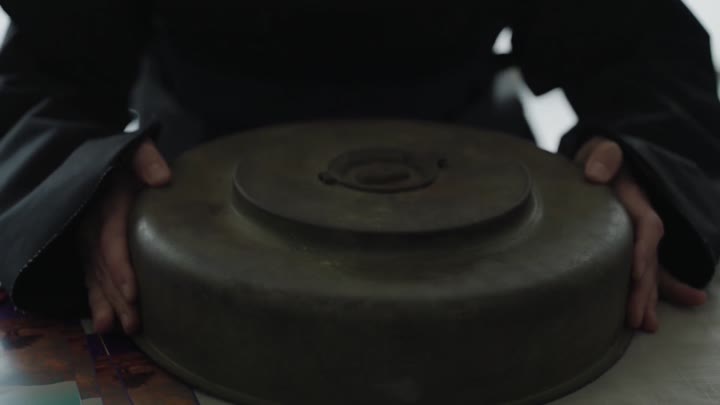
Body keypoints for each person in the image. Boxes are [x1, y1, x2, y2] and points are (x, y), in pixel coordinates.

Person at [0, 1, 719, 336]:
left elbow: (645, 48)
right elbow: (40, 75)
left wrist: (645, 160)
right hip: (190, 187)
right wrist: (80, 181)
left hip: (477, 190)